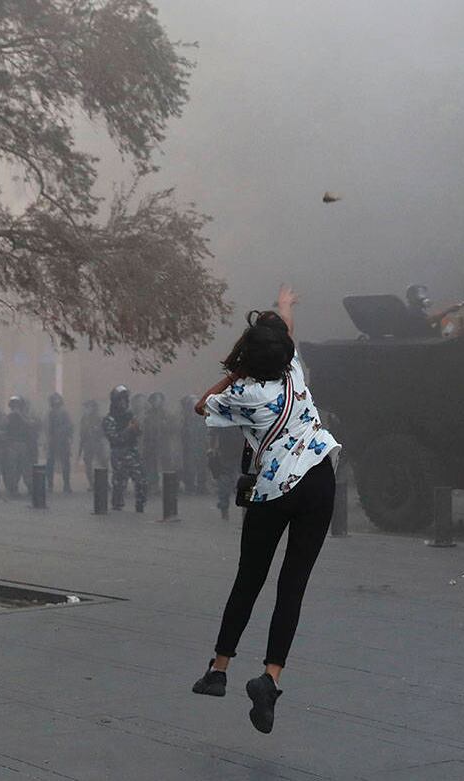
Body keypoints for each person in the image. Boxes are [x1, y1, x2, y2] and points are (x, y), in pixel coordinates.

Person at [190, 284, 341, 736]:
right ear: (285, 354)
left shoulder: (243, 394)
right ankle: (270, 679)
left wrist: (234, 372)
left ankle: (219, 669)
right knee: (292, 585)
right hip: (319, 479)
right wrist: (285, 307)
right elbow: (286, 336)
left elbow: (201, 405)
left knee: (249, 579)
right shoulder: (295, 371)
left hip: (274, 490)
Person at [103, 386, 147, 511]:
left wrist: (136, 427)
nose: (123, 403)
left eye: (124, 400)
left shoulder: (130, 416)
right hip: (119, 453)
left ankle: (140, 504)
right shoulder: (109, 419)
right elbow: (115, 439)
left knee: (141, 479)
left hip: (132, 451)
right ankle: (117, 505)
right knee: (119, 481)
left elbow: (139, 432)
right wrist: (129, 429)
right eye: (120, 400)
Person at [46, 392, 73, 493]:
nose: (55, 402)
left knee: (65, 464)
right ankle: (50, 485)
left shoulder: (64, 413)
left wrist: (64, 434)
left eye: (57, 400)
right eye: (54, 400)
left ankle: (66, 485)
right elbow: (47, 428)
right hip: (53, 441)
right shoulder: (50, 413)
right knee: (50, 464)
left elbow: (69, 426)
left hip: (62, 441)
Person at [77, 399, 108, 490]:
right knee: (88, 465)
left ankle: (105, 483)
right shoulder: (84, 419)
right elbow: (82, 434)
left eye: (88, 407)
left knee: (102, 463)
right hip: (87, 445)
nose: (86, 409)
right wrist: (80, 449)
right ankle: (91, 483)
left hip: (97, 444)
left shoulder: (99, 418)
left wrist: (96, 430)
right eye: (86, 407)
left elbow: (104, 432)